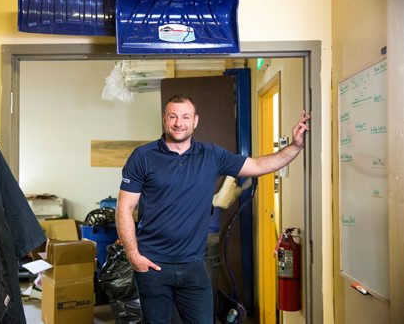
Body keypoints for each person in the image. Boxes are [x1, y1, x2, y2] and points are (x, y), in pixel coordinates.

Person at [115, 94, 310, 323]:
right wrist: (134, 256)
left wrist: (296, 146)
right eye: (173, 116)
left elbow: (257, 165)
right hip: (152, 265)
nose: (179, 123)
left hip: (194, 264)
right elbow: (124, 208)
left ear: (195, 121)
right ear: (164, 119)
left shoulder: (212, 155)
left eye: (186, 117)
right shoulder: (143, 157)